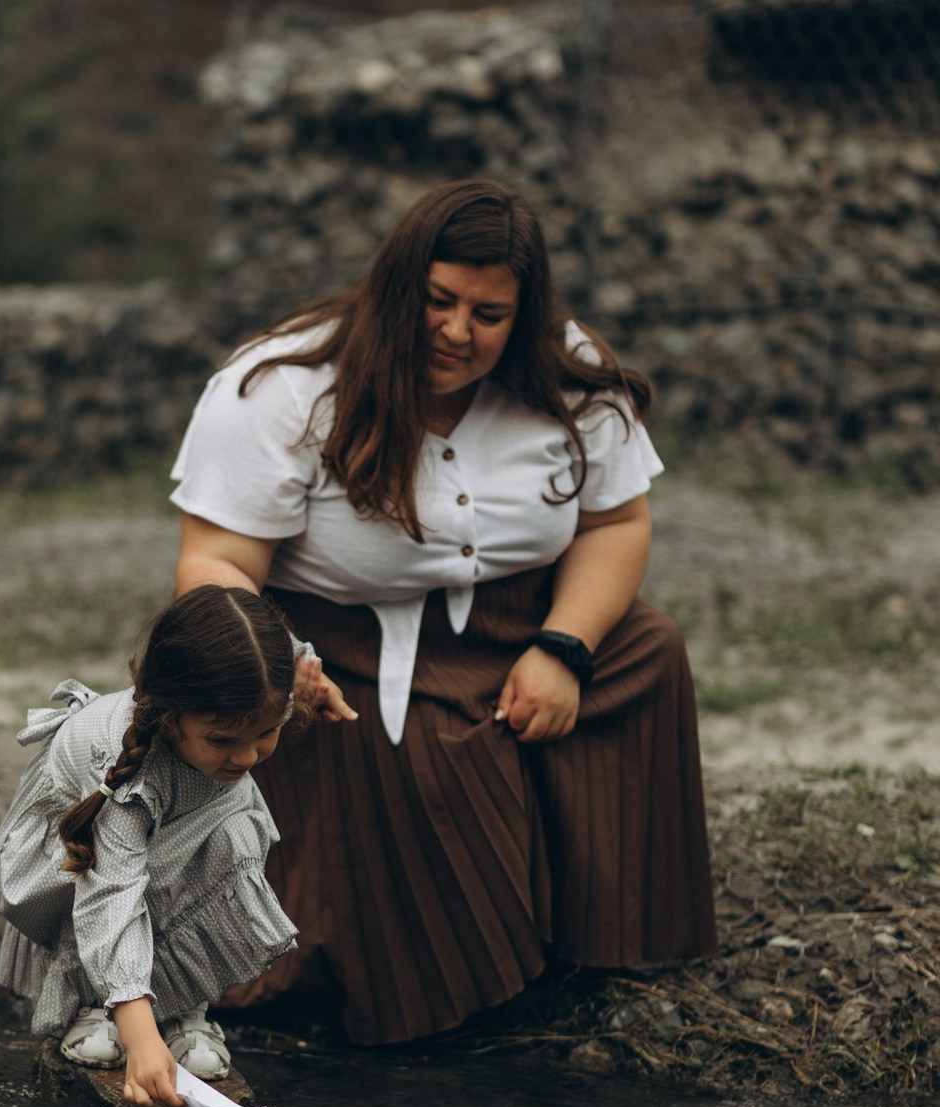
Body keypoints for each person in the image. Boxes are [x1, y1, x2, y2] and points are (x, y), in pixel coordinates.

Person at [169, 177, 718, 1046]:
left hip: (525, 624)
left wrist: (565, 648)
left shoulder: (568, 373)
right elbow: (215, 564)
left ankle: (592, 942)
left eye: (490, 315)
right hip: (340, 653)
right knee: (434, 766)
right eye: (439, 301)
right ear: (398, 287)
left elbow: (616, 524)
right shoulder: (283, 386)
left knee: (646, 649)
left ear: (524, 317)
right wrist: (281, 664)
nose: (459, 332)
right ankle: (467, 983)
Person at [0, 584, 308, 1107]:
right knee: (124, 878)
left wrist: (314, 679)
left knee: (226, 843)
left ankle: (184, 1009)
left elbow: (288, 651)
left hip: (187, 816)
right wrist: (141, 1042)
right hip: (77, 852)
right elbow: (110, 894)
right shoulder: (129, 773)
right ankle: (95, 1003)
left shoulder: (261, 680)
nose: (247, 757)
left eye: (266, 732)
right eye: (223, 740)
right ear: (170, 714)